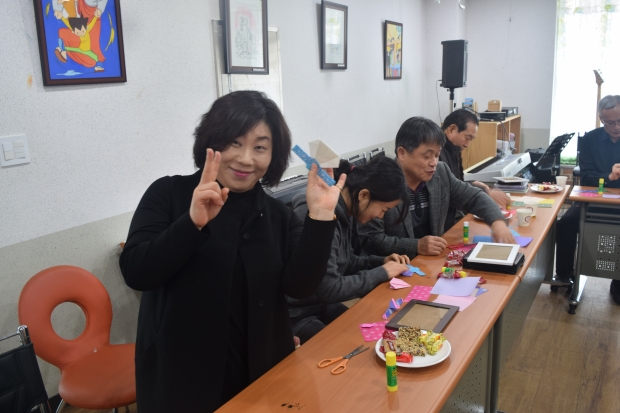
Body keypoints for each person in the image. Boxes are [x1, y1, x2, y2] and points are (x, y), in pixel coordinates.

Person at [119, 91, 345, 412]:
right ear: (211, 141)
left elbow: (301, 286)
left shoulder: (277, 215)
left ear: (273, 155)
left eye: (260, 147)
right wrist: (191, 223)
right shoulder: (169, 194)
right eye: (235, 142)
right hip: (182, 378)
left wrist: (320, 217)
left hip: (260, 372)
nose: (245, 159)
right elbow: (136, 272)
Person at [287, 156, 410, 344]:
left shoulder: (347, 210)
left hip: (321, 305)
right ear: (364, 195)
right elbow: (329, 288)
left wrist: (381, 262)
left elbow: (346, 261)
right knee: (348, 347)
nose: (380, 216)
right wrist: (382, 272)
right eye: (384, 210)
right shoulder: (320, 215)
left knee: (371, 332)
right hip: (296, 314)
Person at [359, 116, 515, 258]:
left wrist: (497, 222)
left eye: (437, 155)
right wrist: (416, 246)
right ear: (402, 153)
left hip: (432, 261)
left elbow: (473, 197)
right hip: (396, 267)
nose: (433, 162)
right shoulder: (381, 182)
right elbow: (371, 239)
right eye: (427, 156)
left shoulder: (441, 173)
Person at [555, 95, 620, 303]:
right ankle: (564, 275)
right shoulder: (590, 140)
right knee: (566, 223)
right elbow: (587, 177)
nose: (616, 127)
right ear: (601, 119)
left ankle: (617, 279)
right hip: (592, 200)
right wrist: (609, 177)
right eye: (610, 123)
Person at [439, 109, 511, 230]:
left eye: (471, 140)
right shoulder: (438, 155)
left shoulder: (454, 150)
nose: (467, 144)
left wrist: (476, 185)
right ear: (451, 129)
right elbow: (449, 191)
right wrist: (482, 190)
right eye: (467, 138)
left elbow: (456, 184)